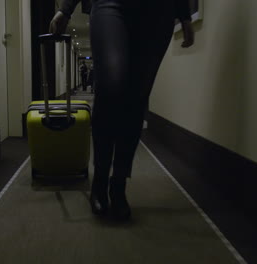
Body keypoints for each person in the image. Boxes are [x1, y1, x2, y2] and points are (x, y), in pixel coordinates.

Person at [50, 0, 195, 220]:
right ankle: (99, 180)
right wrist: (66, 8)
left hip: (158, 12)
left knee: (137, 98)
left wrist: (184, 15)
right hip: (112, 5)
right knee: (112, 85)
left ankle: (118, 185)